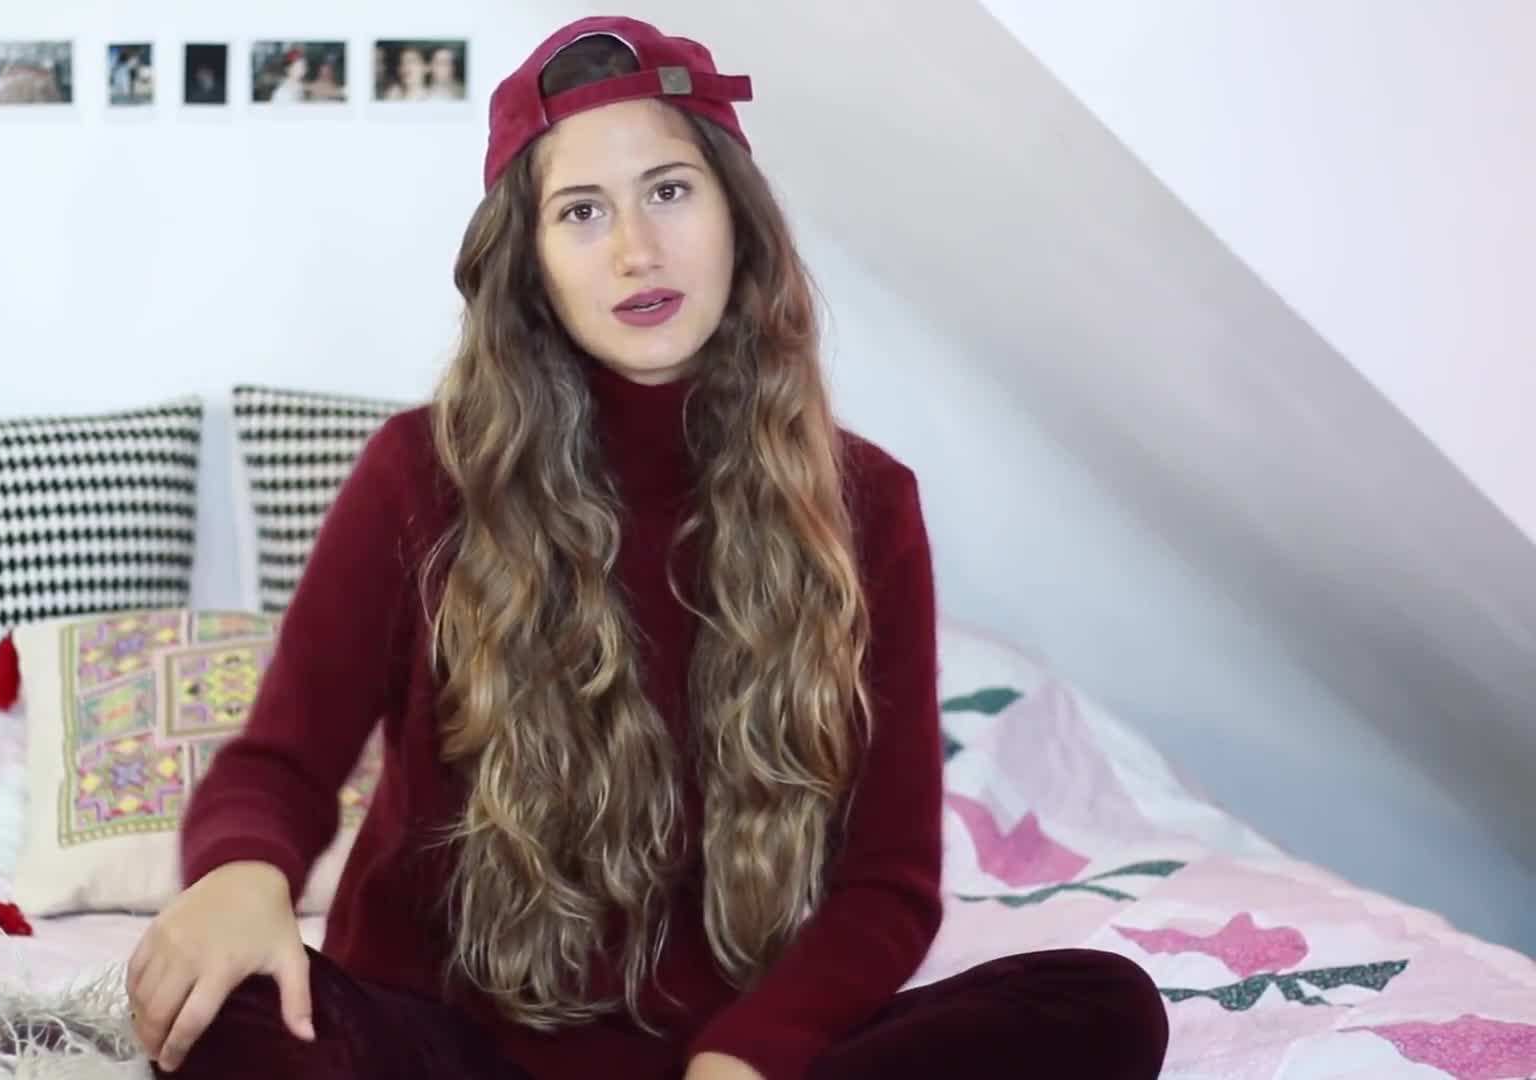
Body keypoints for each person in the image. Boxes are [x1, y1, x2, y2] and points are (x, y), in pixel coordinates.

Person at [124, 14, 1170, 1080]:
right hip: (453, 1049)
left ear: (736, 216)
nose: (636, 249)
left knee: (1101, 1005)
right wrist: (243, 874)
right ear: (530, 264)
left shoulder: (868, 505)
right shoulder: (417, 474)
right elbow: (282, 765)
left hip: (728, 1055)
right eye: (582, 212)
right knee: (220, 1008)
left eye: (669, 191)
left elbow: (887, 882)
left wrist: (749, 1058)